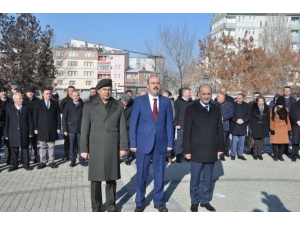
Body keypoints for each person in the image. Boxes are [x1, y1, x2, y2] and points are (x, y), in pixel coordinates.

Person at [80, 79, 128, 212]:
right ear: (98, 91)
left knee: (111, 178)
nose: (107, 92)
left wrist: (123, 147)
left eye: (109, 89)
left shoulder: (117, 105)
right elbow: (84, 129)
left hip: (112, 146)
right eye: (104, 89)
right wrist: (84, 149)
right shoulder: (89, 105)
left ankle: (111, 206)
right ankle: (96, 206)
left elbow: (123, 127)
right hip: (95, 146)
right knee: (95, 179)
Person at [129, 75, 174, 212]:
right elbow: (133, 123)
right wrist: (133, 143)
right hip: (143, 143)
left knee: (159, 174)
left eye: (158, 83)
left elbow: (170, 124)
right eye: (153, 83)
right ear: (147, 86)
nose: (156, 85)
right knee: (141, 174)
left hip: (161, 142)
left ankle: (159, 201)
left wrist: (170, 143)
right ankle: (140, 202)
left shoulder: (166, 101)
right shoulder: (139, 101)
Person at [183, 85, 224, 212]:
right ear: (198, 95)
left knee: (208, 178)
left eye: (208, 94)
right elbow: (187, 132)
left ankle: (205, 200)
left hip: (211, 149)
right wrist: (187, 150)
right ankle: (194, 201)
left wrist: (220, 147)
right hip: (196, 150)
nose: (206, 96)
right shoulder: (191, 109)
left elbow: (219, 129)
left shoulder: (216, 109)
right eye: (204, 94)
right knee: (195, 179)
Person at [4, 93, 33, 171]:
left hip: (24, 131)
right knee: (14, 149)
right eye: (20, 98)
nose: (22, 100)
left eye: (22, 98)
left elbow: (30, 121)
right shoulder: (9, 108)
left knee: (25, 148)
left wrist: (30, 132)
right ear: (14, 100)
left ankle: (26, 164)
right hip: (13, 132)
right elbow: (6, 122)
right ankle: (14, 164)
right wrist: (6, 133)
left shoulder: (26, 108)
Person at [34, 88, 61, 169]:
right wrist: (35, 128)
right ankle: (43, 162)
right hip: (41, 128)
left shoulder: (55, 103)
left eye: (50, 93)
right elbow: (35, 117)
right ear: (43, 94)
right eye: (47, 93)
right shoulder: (38, 103)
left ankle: (51, 161)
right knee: (42, 146)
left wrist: (58, 127)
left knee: (51, 146)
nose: (49, 95)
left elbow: (58, 116)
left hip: (52, 128)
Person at [62, 91, 86, 167]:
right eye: (74, 95)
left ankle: (82, 160)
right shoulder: (68, 105)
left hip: (80, 129)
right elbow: (64, 118)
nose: (76, 97)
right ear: (71, 96)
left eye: (77, 95)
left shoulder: (83, 104)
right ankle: (73, 161)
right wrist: (65, 130)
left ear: (79, 96)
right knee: (72, 146)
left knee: (81, 145)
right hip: (71, 129)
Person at [173, 87, 194, 163]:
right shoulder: (177, 102)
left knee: (188, 141)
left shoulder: (192, 102)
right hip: (181, 125)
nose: (190, 94)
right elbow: (175, 114)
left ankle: (187, 155)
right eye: (189, 92)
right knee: (180, 141)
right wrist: (176, 124)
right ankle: (178, 155)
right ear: (184, 93)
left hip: (190, 125)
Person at [229, 93, 251, 160]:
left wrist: (244, 120)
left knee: (241, 142)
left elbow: (249, 115)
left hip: (243, 125)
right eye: (237, 98)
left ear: (243, 99)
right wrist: (236, 120)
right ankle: (233, 154)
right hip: (235, 125)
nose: (237, 100)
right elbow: (230, 114)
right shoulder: (232, 105)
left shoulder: (247, 106)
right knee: (234, 141)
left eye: (239, 98)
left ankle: (240, 154)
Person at [269, 96, 291, 161]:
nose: (280, 106)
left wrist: (289, 129)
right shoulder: (273, 109)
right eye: (279, 104)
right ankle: (275, 155)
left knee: (282, 144)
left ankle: (280, 155)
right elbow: (271, 119)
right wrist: (271, 128)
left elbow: (287, 120)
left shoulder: (286, 109)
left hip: (284, 128)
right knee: (275, 143)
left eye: (281, 105)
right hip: (275, 128)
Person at [249, 95, 270, 160]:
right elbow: (251, 118)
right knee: (256, 141)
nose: (260, 102)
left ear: (264, 101)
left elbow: (268, 118)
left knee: (261, 141)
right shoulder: (253, 107)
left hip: (263, 126)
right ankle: (255, 154)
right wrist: (250, 127)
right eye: (259, 101)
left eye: (262, 101)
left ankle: (260, 154)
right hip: (255, 125)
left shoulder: (267, 108)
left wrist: (268, 126)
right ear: (257, 101)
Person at [214, 92, 233, 161]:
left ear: (223, 97)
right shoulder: (214, 103)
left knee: (223, 140)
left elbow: (231, 113)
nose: (217, 97)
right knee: (215, 140)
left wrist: (223, 118)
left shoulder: (229, 104)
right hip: (215, 125)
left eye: (218, 96)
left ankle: (222, 154)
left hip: (224, 125)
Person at [23, 86, 39, 163]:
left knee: (34, 142)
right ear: (26, 93)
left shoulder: (38, 101)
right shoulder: (23, 100)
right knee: (25, 142)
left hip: (35, 123)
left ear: (34, 93)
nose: (30, 93)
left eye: (31, 92)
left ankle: (34, 157)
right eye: (29, 92)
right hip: (25, 124)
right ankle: (26, 158)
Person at [60, 85, 75, 160]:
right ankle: (66, 155)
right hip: (67, 123)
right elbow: (61, 110)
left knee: (75, 141)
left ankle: (75, 154)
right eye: (70, 91)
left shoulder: (78, 99)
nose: (71, 92)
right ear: (67, 91)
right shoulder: (64, 100)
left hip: (76, 125)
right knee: (67, 140)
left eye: (72, 90)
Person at [0, 87, 13, 165]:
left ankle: (8, 159)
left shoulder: (10, 101)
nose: (3, 93)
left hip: (8, 124)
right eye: (1, 92)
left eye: (5, 92)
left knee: (8, 143)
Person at [120, 94, 134, 166]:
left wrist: (125, 125)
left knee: (126, 142)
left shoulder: (131, 106)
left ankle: (126, 158)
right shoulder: (117, 104)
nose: (125, 103)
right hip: (117, 126)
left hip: (126, 127)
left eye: (127, 102)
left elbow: (130, 118)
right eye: (124, 101)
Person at [162, 90, 175, 163]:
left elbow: (173, 113)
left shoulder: (171, 102)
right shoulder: (158, 102)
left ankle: (168, 156)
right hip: (161, 125)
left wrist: (169, 122)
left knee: (169, 140)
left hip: (169, 124)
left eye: (167, 97)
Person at [283, 86, 296, 156]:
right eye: (285, 90)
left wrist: (289, 111)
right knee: (282, 135)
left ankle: (286, 150)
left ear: (290, 92)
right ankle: (281, 150)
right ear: (283, 91)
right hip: (282, 120)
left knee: (288, 135)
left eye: (288, 90)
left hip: (291, 120)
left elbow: (295, 109)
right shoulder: (281, 99)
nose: (286, 92)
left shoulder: (293, 100)